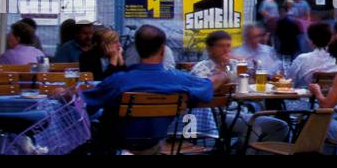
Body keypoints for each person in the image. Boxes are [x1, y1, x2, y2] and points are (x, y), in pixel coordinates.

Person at [83, 25, 231, 153]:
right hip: (152, 145)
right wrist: (222, 75)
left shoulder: (118, 81)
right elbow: (208, 86)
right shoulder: (179, 79)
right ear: (163, 50)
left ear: (137, 49)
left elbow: (85, 105)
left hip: (114, 146)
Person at [190, 30, 287, 149]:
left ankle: (237, 151)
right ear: (210, 49)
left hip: (241, 111)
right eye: (221, 46)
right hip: (216, 116)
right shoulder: (202, 68)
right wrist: (222, 74)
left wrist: (255, 75)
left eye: (228, 46)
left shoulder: (236, 64)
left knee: (280, 126)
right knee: (254, 128)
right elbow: (201, 93)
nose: (226, 50)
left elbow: (251, 86)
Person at [287, 20, 335, 89]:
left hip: (308, 98)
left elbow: (289, 82)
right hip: (335, 98)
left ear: (311, 41)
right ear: (330, 39)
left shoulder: (302, 59)